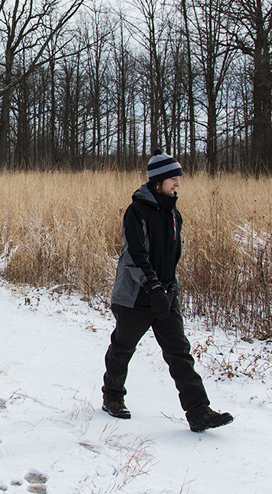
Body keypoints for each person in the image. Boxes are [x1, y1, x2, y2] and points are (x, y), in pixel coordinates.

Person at [102, 148, 234, 432]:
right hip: (135, 297)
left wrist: (168, 289)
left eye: (178, 178)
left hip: (166, 296)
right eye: (173, 178)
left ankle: (199, 412)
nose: (178, 183)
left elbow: (171, 257)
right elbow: (135, 255)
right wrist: (152, 287)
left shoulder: (174, 214)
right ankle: (112, 397)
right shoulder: (136, 211)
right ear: (157, 181)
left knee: (179, 353)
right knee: (123, 348)